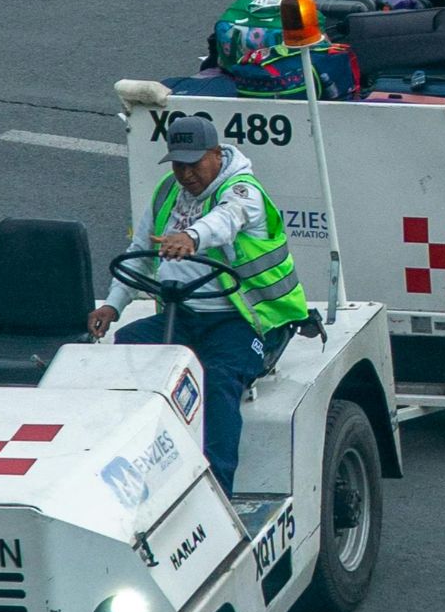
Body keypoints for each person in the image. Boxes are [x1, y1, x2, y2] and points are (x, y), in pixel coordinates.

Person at [88, 114, 310, 494]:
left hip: (240, 321)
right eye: (178, 164)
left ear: (216, 154)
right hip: (183, 315)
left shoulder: (243, 192)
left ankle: (217, 489)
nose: (186, 174)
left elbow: (225, 221)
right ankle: (131, 472)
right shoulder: (166, 192)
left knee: (219, 379)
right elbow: (139, 253)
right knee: (126, 350)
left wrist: (191, 237)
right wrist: (112, 305)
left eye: (194, 164)